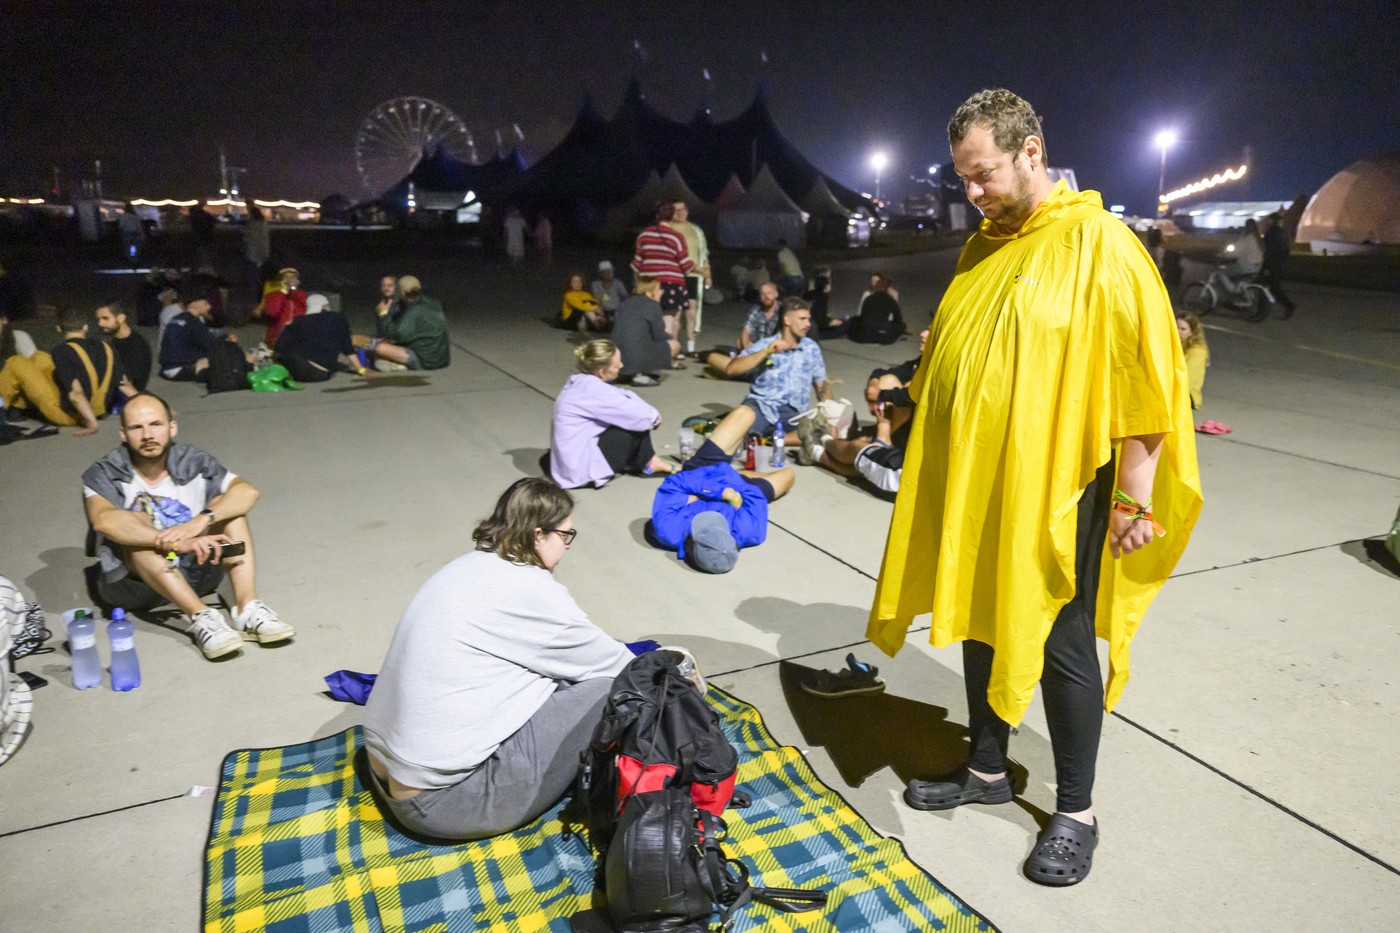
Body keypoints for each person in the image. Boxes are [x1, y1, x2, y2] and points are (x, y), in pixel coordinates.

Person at [868, 88, 1201, 886]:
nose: (972, 194)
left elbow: (1147, 379)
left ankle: (1076, 812)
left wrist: (1134, 494)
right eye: (962, 180)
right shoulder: (986, 246)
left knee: (1060, 631)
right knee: (984, 616)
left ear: (1030, 153)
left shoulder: (1101, 244)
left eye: (982, 175)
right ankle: (986, 768)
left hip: (1065, 480)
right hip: (984, 478)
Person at [361, 477, 640, 840]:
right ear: (539, 535)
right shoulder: (532, 591)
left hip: (383, 768)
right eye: (565, 535)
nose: (568, 546)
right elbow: (622, 668)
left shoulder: (465, 566)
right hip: (442, 806)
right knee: (610, 690)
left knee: (553, 674)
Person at [82, 393, 293, 660]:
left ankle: (247, 609)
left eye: (156, 425)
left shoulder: (192, 460)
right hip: (136, 586)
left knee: (228, 509)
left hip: (196, 571)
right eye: (137, 427)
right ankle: (202, 617)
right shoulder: (104, 472)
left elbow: (247, 492)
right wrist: (174, 541)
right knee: (136, 529)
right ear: (123, 434)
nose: (148, 435)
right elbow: (105, 520)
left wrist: (201, 521)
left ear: (172, 427)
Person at [548, 339, 674, 489]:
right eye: (616, 364)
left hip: (568, 465)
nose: (621, 366)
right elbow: (639, 415)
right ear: (601, 371)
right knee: (632, 423)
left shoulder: (580, 382)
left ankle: (649, 460)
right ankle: (651, 463)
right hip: (581, 471)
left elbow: (622, 396)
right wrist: (655, 417)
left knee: (626, 416)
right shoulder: (593, 390)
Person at [723, 297, 832, 441]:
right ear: (787, 320)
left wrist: (830, 411)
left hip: (794, 414)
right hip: (762, 407)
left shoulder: (811, 348)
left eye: (808, 319)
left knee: (828, 433)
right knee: (735, 435)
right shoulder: (766, 344)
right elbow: (731, 369)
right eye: (802, 319)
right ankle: (765, 436)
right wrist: (766, 352)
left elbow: (821, 386)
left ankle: (775, 440)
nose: (808, 324)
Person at [353, 275, 449, 371]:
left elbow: (394, 336)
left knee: (380, 348)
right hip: (440, 358)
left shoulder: (414, 311)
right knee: (380, 343)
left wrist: (383, 314)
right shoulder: (433, 302)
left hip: (426, 361)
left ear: (403, 291)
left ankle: (400, 365)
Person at [630, 203, 694, 341]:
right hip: (672, 284)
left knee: (646, 321)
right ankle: (666, 357)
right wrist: (701, 270)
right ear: (672, 217)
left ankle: (645, 355)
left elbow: (637, 264)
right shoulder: (677, 237)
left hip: (648, 283)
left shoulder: (644, 235)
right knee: (668, 320)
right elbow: (686, 266)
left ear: (656, 215)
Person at [274, 294, 366, 382]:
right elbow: (347, 347)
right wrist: (360, 369)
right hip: (323, 374)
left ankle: (278, 373)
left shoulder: (299, 321)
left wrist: (286, 327)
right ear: (325, 306)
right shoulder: (338, 319)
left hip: (299, 372)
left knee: (286, 348)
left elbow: (279, 346)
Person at [701, 281, 780, 376]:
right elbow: (745, 331)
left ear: (776, 294)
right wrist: (747, 351)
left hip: (776, 348)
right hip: (760, 347)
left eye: (769, 293)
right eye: (763, 294)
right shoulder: (757, 309)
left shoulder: (783, 310)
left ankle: (733, 370)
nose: (766, 296)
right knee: (739, 343)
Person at [664, 200, 711, 355]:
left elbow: (703, 254)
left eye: (682, 209)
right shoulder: (668, 228)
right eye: (676, 210)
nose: (680, 212)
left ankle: (691, 347)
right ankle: (674, 347)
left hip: (694, 275)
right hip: (674, 276)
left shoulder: (696, 230)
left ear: (687, 211)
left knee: (691, 312)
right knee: (675, 312)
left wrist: (707, 274)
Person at [612, 277, 680, 386]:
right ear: (649, 292)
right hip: (637, 357)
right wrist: (670, 336)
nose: (661, 292)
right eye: (658, 289)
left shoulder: (624, 303)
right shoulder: (652, 305)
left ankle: (624, 372)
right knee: (675, 345)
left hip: (616, 357)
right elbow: (659, 336)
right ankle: (641, 374)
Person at [160, 296, 236, 382]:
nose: (209, 307)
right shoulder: (192, 322)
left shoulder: (175, 319)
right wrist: (227, 340)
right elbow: (211, 345)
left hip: (166, 368)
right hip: (182, 369)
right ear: (194, 304)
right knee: (228, 364)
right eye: (205, 304)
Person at [96, 301, 152, 392]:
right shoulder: (117, 339)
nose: (100, 323)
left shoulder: (137, 346)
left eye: (105, 318)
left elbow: (126, 382)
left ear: (121, 318)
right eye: (98, 319)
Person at [849, 274, 905, 345]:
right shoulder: (890, 300)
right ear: (888, 288)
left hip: (865, 335)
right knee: (902, 326)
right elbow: (898, 319)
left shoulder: (869, 298)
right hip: (883, 336)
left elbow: (863, 316)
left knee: (855, 320)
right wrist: (895, 299)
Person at [1260, 212, 1296, 316]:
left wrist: (1265, 266)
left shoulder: (1271, 232)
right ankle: (1289, 306)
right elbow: (1286, 249)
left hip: (1273, 264)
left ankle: (1261, 311)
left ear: (1272, 220)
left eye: (1269, 220)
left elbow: (1269, 251)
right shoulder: (1282, 232)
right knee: (1273, 288)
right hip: (1280, 264)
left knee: (1262, 285)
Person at [261, 267, 307, 347]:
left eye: (293, 277)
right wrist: (283, 290)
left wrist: (293, 290)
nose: (290, 280)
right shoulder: (274, 295)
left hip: (298, 336)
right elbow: (272, 312)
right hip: (278, 335)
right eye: (286, 277)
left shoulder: (301, 294)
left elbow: (306, 309)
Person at [1176, 313, 1209, 410]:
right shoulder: (1176, 343)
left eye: (1183, 329)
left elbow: (1188, 379)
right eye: (1176, 327)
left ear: (1192, 332)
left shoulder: (1198, 351)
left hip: (1187, 395)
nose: (1178, 331)